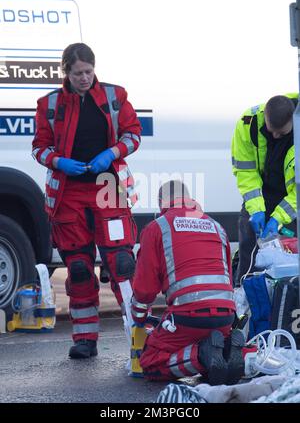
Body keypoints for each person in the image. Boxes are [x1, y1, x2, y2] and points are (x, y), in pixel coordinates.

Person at [32, 43, 141, 358]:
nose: (84, 78)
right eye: (78, 73)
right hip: (69, 192)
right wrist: (57, 161)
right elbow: (39, 146)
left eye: (89, 72)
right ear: (65, 71)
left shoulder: (113, 97)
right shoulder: (49, 104)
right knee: (78, 268)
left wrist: (113, 152)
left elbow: (133, 134)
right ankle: (85, 339)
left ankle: (139, 334)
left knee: (121, 263)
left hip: (108, 186)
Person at [131, 180, 245, 386]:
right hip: (226, 316)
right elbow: (226, 274)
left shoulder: (157, 227)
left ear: (161, 202)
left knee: (151, 363)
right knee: (210, 347)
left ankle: (202, 355)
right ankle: (226, 353)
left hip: (187, 316)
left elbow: (145, 288)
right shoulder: (216, 226)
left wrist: (138, 317)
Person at [232, 94, 297, 285]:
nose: (275, 136)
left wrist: (278, 217)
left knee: (290, 255)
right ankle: (243, 299)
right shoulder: (248, 124)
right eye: (271, 131)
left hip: (291, 200)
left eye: (281, 133)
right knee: (249, 247)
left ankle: (287, 304)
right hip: (261, 194)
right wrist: (256, 210)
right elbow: (246, 172)